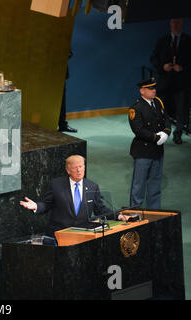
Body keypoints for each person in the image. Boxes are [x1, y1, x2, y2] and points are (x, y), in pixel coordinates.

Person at [20, 155, 127, 237]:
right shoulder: (56, 185)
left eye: (81, 166)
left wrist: (118, 216)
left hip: (83, 234)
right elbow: (47, 204)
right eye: (75, 168)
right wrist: (36, 206)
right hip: (59, 234)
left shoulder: (92, 186)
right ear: (68, 170)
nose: (79, 170)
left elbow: (100, 209)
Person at [128, 78, 171, 209]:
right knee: (138, 185)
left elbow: (166, 120)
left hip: (157, 151)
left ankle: (154, 212)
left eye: (154, 88)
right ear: (142, 91)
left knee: (155, 184)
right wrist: (156, 138)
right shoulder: (136, 108)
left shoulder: (158, 103)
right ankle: (134, 213)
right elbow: (138, 129)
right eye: (150, 89)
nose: (154, 91)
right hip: (143, 151)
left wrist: (166, 133)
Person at [150, 18, 191, 144]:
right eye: (173, 22)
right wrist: (162, 66)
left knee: (181, 109)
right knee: (162, 109)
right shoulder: (162, 40)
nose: (175, 25)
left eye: (178, 23)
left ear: (182, 24)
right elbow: (153, 58)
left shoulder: (188, 41)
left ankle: (178, 134)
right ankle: (163, 133)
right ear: (170, 24)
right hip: (164, 82)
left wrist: (183, 67)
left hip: (181, 82)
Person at [58, 51, 77, 133]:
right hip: (48, 73)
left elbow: (70, 53)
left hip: (61, 73)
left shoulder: (63, 40)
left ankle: (63, 125)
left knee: (62, 102)